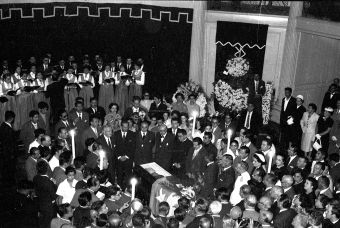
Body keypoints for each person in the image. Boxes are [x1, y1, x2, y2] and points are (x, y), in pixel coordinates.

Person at [33, 160, 57, 228]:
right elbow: (54, 195)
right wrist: (55, 184)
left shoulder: (35, 178)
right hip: (49, 207)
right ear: (47, 169)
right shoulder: (48, 182)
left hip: (40, 204)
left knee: (43, 223)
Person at [113, 120, 136, 189]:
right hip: (118, 160)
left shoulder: (132, 134)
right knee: (119, 175)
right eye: (124, 127)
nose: (126, 128)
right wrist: (119, 156)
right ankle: (119, 188)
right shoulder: (116, 134)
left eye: (127, 127)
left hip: (128, 159)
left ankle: (127, 190)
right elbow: (114, 147)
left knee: (128, 176)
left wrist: (126, 156)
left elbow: (133, 147)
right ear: (121, 127)